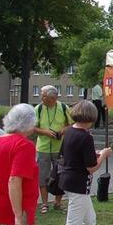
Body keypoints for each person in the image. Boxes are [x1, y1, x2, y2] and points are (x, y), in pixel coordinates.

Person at [58, 100, 113, 225]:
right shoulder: (85, 136)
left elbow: (75, 155)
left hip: (71, 181)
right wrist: (103, 155)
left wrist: (95, 152)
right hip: (79, 185)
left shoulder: (70, 132)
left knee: (90, 220)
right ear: (91, 117)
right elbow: (91, 167)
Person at [34, 85, 72, 213]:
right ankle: (44, 203)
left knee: (60, 175)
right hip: (43, 148)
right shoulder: (38, 109)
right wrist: (44, 132)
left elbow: (71, 125)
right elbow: (33, 127)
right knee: (42, 176)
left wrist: (62, 131)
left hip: (60, 147)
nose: (41, 98)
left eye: (43, 95)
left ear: (52, 98)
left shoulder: (63, 108)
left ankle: (57, 202)